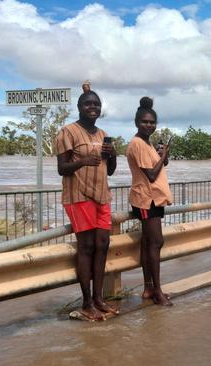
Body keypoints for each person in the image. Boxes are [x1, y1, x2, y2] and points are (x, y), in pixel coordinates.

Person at [56, 82, 119, 320]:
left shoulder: (103, 134)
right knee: (87, 247)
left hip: (102, 195)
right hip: (79, 195)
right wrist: (83, 161)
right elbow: (62, 168)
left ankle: (99, 299)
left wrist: (112, 156)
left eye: (96, 104)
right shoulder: (67, 132)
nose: (93, 107)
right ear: (79, 107)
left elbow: (110, 170)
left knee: (103, 245)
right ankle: (86, 302)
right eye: (88, 104)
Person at [126, 96, 173, 306]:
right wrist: (164, 156)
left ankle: (148, 288)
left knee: (148, 243)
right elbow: (151, 175)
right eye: (145, 122)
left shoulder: (147, 143)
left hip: (152, 198)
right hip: (146, 199)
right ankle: (158, 292)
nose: (149, 125)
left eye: (152, 122)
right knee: (156, 243)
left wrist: (163, 156)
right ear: (137, 122)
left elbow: (157, 167)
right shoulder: (137, 144)